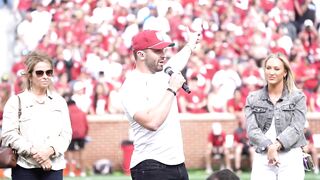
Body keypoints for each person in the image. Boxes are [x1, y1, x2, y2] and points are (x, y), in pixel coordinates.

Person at [120, 28, 201, 180]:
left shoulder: (161, 73)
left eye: (164, 50)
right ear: (141, 54)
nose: (163, 55)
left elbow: (179, 59)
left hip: (177, 163)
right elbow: (152, 122)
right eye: (157, 51)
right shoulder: (131, 85)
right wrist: (172, 89)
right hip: (151, 165)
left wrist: (190, 43)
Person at [1, 51, 72, 180]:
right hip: (24, 167)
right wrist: (35, 152)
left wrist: (49, 150)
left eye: (49, 72)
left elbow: (66, 134)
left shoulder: (60, 102)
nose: (45, 76)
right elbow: (8, 134)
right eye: (40, 73)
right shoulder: (16, 102)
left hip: (54, 166)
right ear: (29, 76)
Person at [245, 53, 307, 180]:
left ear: (285, 73)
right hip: (263, 156)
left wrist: (276, 146)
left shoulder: (298, 97)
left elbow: (297, 127)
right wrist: (269, 147)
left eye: (276, 69)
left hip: (291, 156)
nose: (271, 72)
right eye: (268, 68)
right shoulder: (252, 98)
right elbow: (252, 131)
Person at [64, 94, 89, 177]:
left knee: (70, 153)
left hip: (71, 135)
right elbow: (86, 125)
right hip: (81, 135)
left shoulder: (67, 112)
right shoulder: (82, 112)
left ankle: (71, 172)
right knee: (82, 152)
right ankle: (83, 172)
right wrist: (85, 134)